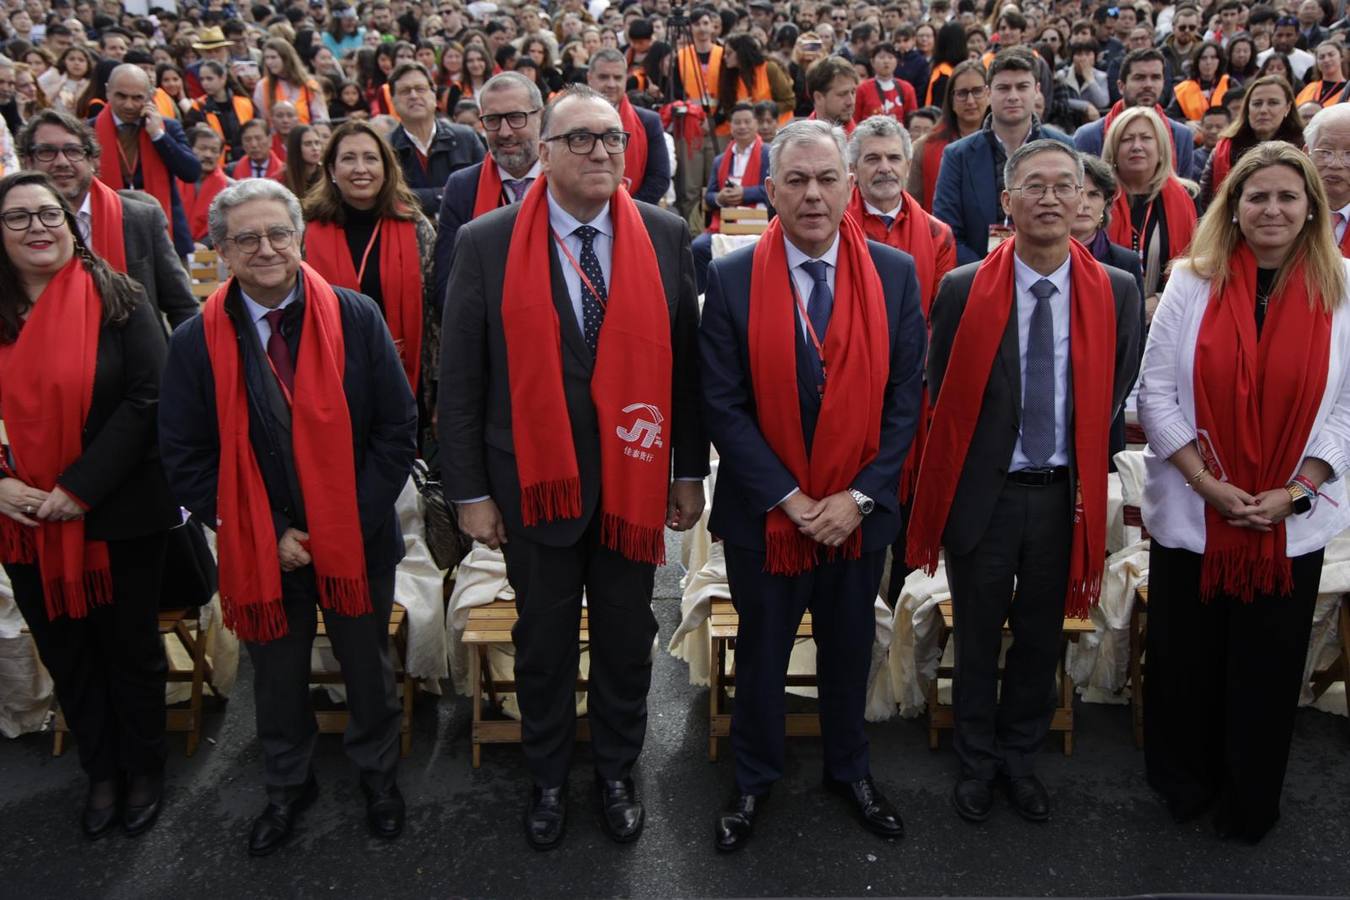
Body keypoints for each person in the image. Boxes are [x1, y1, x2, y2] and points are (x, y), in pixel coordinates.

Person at [440, 85, 707, 851]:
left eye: (612, 139)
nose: (600, 151)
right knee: (544, 646)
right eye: (581, 139)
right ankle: (550, 777)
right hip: (531, 486)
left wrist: (687, 471)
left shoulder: (662, 232)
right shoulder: (487, 241)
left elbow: (684, 371)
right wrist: (470, 493)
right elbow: (460, 382)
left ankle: (618, 772)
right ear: (545, 152)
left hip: (631, 483)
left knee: (626, 641)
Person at [158, 178, 418, 855]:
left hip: (357, 538)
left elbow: (397, 429)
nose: (266, 248)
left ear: (299, 237)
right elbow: (184, 454)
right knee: (274, 678)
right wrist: (268, 532)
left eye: (278, 233)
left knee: (367, 668)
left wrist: (345, 524)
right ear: (220, 250)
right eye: (246, 238)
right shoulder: (195, 340)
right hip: (260, 545)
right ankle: (286, 785)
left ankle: (378, 777)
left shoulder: (356, 317)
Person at [699, 118, 925, 851]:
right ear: (770, 192)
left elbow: (905, 404)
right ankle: (754, 780)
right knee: (762, 656)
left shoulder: (894, 275)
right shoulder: (730, 278)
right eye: (795, 180)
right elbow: (723, 406)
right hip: (769, 518)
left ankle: (848, 769)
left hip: (857, 517)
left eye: (827, 178)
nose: (813, 194)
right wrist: (794, 502)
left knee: (849, 647)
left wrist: (855, 499)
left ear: (850, 184)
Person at [910, 139, 1141, 825]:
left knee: (1042, 638)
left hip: (1064, 497)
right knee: (977, 636)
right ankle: (976, 761)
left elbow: (1117, 382)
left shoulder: (1117, 291)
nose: (1048, 198)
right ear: (1006, 204)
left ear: (1084, 203)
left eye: (1062, 187)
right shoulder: (962, 287)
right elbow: (941, 389)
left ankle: (1020, 758)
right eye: (1032, 186)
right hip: (986, 496)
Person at [1137, 141, 1350, 844]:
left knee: (1266, 666)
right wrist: (1210, 485)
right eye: (1257, 196)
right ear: (1232, 207)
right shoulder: (1190, 283)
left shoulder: (1342, 288)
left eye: (1289, 196)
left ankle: (1249, 796)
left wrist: (1297, 490)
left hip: (1288, 521)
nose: (1273, 209)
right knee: (1186, 661)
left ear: (1312, 208)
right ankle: (1184, 784)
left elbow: (1348, 411)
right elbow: (1156, 394)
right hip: (1198, 514)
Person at [0, 170, 179, 840]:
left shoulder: (117, 296)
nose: (38, 228)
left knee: (128, 649)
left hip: (116, 512)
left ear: (69, 223)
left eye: (49, 214)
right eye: (18, 217)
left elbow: (147, 399)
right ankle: (100, 770)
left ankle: (144, 769)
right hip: (22, 520)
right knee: (66, 650)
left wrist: (77, 489)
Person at [844, 114, 955, 601]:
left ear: (909, 164)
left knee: (908, 524)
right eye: (872, 158)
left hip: (913, 399)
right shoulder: (833, 222)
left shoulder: (937, 235)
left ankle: (902, 623)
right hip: (845, 395)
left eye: (893, 157)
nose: (884, 168)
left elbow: (937, 319)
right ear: (853, 170)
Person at [302, 120, 437, 449]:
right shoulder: (306, 232)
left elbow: (436, 313)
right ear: (332, 169)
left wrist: (441, 390)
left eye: (370, 158)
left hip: (406, 379)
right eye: (348, 159)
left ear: (386, 167)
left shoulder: (416, 227)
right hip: (331, 380)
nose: (360, 168)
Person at [18, 108, 197, 331]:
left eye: (73, 151)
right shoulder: (12, 228)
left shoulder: (139, 218)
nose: (62, 162)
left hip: (134, 359)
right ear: (26, 161)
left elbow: (182, 307)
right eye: (46, 152)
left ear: (93, 160)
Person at [934, 49, 1073, 265]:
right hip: (978, 279)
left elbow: (1074, 220)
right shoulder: (957, 156)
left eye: (1022, 87)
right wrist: (990, 274)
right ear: (989, 93)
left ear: (1037, 90)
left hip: (1049, 275)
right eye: (1004, 88)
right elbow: (948, 232)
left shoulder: (1064, 147)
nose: (1013, 96)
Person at [432, 72, 542, 309]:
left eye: (515, 117)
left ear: (540, 117)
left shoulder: (565, 180)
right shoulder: (462, 188)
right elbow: (447, 284)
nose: (504, 132)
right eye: (492, 119)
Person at [1073, 154, 1147, 457]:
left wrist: (1108, 404)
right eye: (1076, 192)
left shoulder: (1125, 263)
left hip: (1105, 406)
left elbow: (1133, 345)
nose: (1084, 203)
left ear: (1105, 205)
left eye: (1094, 194)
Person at [92, 64, 202, 258]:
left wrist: (158, 136)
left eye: (137, 98)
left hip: (164, 232)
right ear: (108, 92)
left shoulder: (167, 127)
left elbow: (191, 172)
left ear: (150, 96)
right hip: (107, 228)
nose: (128, 105)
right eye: (121, 96)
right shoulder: (89, 131)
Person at [1103, 107, 1199, 326]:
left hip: (1167, 317)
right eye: (1127, 139)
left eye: (1146, 138)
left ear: (1162, 149)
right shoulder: (1096, 199)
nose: (1137, 146)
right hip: (1106, 316)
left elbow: (1197, 264)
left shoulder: (1188, 198)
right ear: (1114, 151)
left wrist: (1159, 299)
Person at [1073, 48, 1199, 181]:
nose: (1148, 85)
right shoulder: (1089, 136)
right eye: (1139, 78)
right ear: (1121, 86)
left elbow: (1184, 193)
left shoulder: (1181, 136)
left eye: (1156, 77)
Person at [691, 101, 772, 293]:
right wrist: (721, 197)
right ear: (730, 126)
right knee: (697, 247)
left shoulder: (768, 154)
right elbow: (709, 196)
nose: (742, 127)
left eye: (747, 122)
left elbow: (773, 190)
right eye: (737, 122)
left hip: (759, 224)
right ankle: (704, 298)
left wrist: (744, 193)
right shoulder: (720, 160)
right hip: (724, 224)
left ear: (756, 124)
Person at [386, 62, 484, 218]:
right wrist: (445, 194)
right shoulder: (385, 147)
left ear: (434, 94)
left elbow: (483, 189)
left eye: (420, 89)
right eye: (405, 91)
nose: (413, 96)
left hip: (463, 233)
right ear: (393, 101)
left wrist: (417, 196)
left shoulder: (466, 137)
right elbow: (388, 198)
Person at [1199, 75, 1304, 208]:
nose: (1263, 110)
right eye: (1257, 103)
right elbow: (1205, 203)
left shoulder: (1304, 150)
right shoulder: (1224, 149)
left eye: (1273, 103)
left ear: (1288, 107)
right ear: (1247, 108)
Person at [586, 49, 671, 204]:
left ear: (626, 79)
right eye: (604, 77)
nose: (611, 84)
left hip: (634, 213)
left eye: (617, 78)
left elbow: (659, 178)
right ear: (589, 78)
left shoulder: (649, 122)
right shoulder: (569, 120)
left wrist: (626, 210)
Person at [907, 59, 987, 212]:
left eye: (977, 91)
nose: (970, 101)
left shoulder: (1006, 142)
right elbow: (913, 208)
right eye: (962, 93)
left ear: (989, 94)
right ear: (951, 99)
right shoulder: (924, 147)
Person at [673, 6, 723, 230]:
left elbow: (729, 92)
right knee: (690, 186)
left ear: (712, 26)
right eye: (697, 24)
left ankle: (714, 228)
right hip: (690, 129)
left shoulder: (723, 54)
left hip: (719, 128)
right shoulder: (681, 57)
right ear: (690, 28)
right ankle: (691, 233)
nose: (702, 29)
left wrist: (714, 120)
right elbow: (676, 94)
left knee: (715, 184)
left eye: (706, 23)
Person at [192, 59, 256, 164]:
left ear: (223, 78)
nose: (205, 83)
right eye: (202, 79)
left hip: (245, 160)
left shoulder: (245, 103)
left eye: (209, 79)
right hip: (215, 163)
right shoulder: (198, 106)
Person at [1308, 103, 1350, 256]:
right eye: (1326, 152)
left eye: (1349, 154)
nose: (1336, 164)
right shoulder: (1284, 211)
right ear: (1307, 153)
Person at [179, 124, 232, 246]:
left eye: (214, 150)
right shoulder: (174, 180)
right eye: (203, 148)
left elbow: (229, 225)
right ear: (189, 149)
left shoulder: (230, 188)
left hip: (211, 252)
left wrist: (204, 244)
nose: (208, 155)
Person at [255, 38, 327, 125]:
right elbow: (262, 120)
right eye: (266, 58)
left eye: (273, 57)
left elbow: (321, 118)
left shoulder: (309, 85)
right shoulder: (262, 86)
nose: (269, 62)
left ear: (286, 58)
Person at [853, 42, 920, 125]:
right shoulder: (862, 89)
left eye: (890, 57)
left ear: (896, 61)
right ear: (872, 61)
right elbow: (855, 119)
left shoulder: (907, 88)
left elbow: (912, 120)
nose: (886, 61)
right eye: (881, 57)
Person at [1168, 42, 1231, 122]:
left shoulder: (1229, 83)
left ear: (1219, 61)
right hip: (1194, 132)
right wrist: (1186, 123)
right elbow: (1169, 118)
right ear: (1197, 61)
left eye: (1213, 57)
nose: (1208, 62)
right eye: (1203, 58)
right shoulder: (1183, 89)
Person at [806, 55, 860, 134]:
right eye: (842, 94)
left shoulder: (863, 143)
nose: (851, 102)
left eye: (853, 92)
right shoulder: (798, 142)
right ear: (818, 98)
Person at [1256, 16, 1315, 81]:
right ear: (1273, 35)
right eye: (1279, 35)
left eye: (1288, 35)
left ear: (1297, 36)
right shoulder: (1259, 59)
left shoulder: (1309, 60)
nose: (1283, 40)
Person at [1294, 41, 1346, 109]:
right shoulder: (1309, 88)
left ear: (1341, 57)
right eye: (1321, 57)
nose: (1326, 60)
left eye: (1331, 55)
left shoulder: (1347, 90)